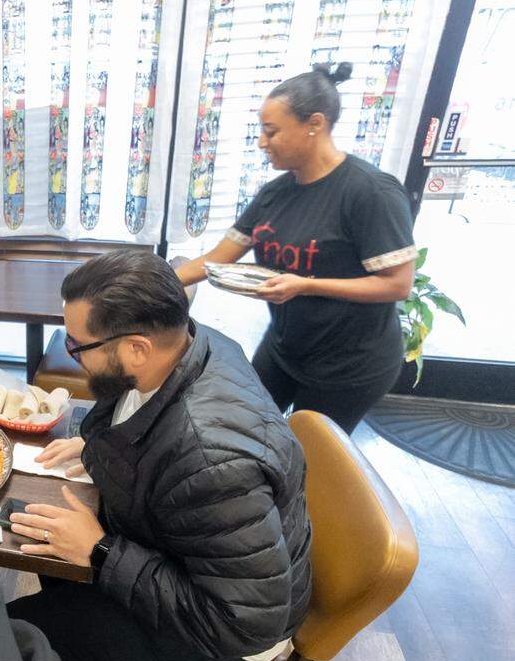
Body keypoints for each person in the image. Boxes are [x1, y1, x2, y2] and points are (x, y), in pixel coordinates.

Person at [12, 251, 312, 661]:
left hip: (221, 639)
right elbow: (152, 436)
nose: (70, 352)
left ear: (137, 349)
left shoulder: (213, 463)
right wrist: (101, 446)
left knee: (11, 637)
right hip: (181, 561)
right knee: (40, 539)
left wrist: (101, 552)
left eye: (77, 346)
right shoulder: (193, 343)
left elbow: (242, 623)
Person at [175, 62, 416, 433]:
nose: (261, 142)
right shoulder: (276, 193)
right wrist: (157, 282)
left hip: (348, 364)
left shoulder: (370, 192)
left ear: (314, 125)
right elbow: (218, 259)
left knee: (303, 455)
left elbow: (396, 285)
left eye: (271, 131)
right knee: (243, 428)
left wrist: (306, 285)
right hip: (287, 346)